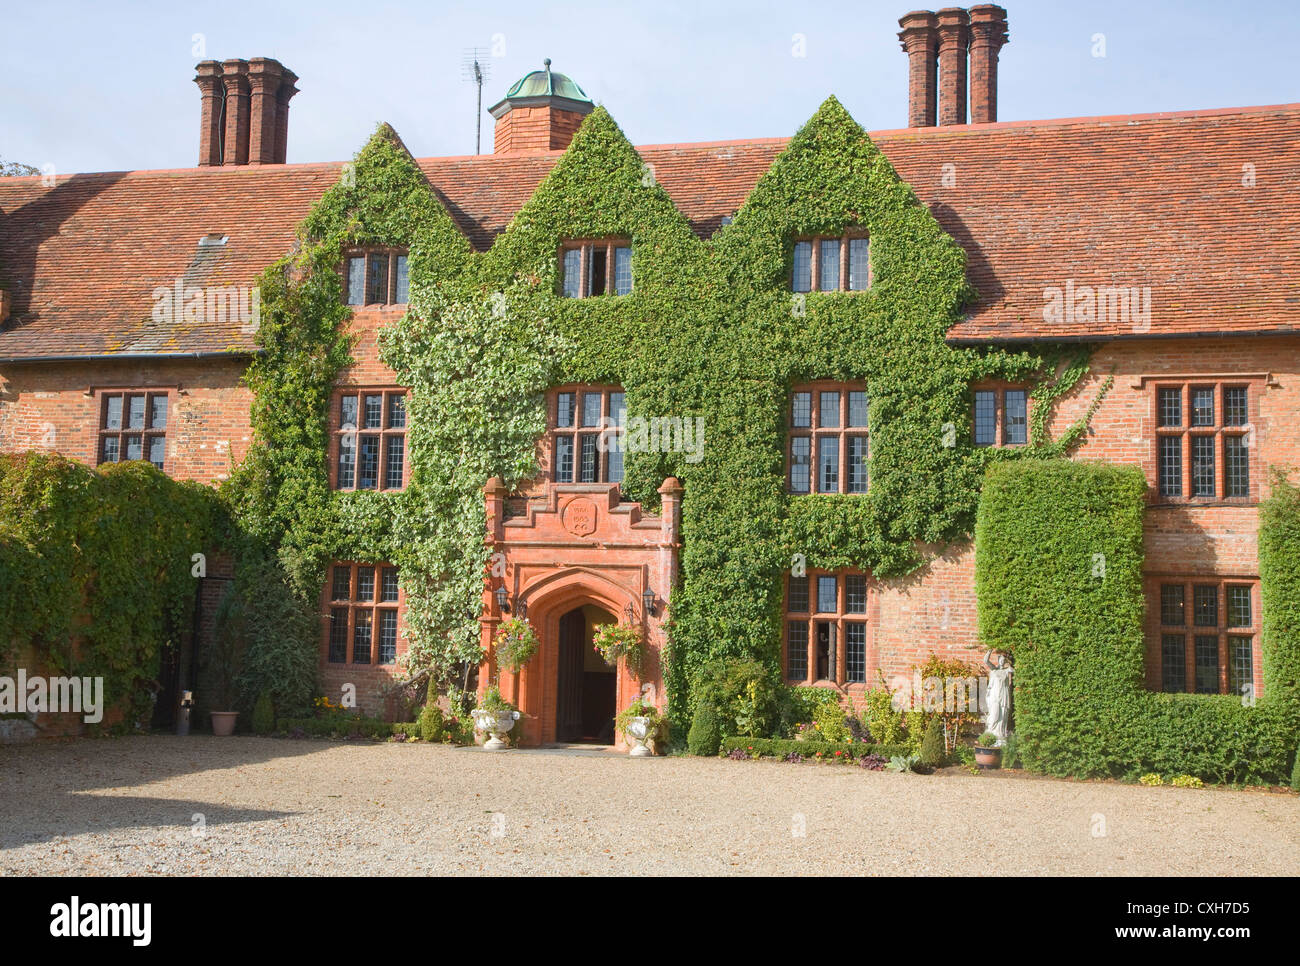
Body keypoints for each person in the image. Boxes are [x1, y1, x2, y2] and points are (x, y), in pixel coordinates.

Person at [984, 649, 1014, 745]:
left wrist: (1008, 661)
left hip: (1004, 695)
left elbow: (1013, 670)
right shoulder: (994, 670)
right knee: (994, 715)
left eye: (1003, 659)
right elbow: (986, 661)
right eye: (1000, 659)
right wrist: (989, 651)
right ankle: (991, 734)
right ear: (998, 660)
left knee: (1003, 715)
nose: (1001, 661)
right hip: (994, 696)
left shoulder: (1006, 671)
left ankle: (1000, 735)